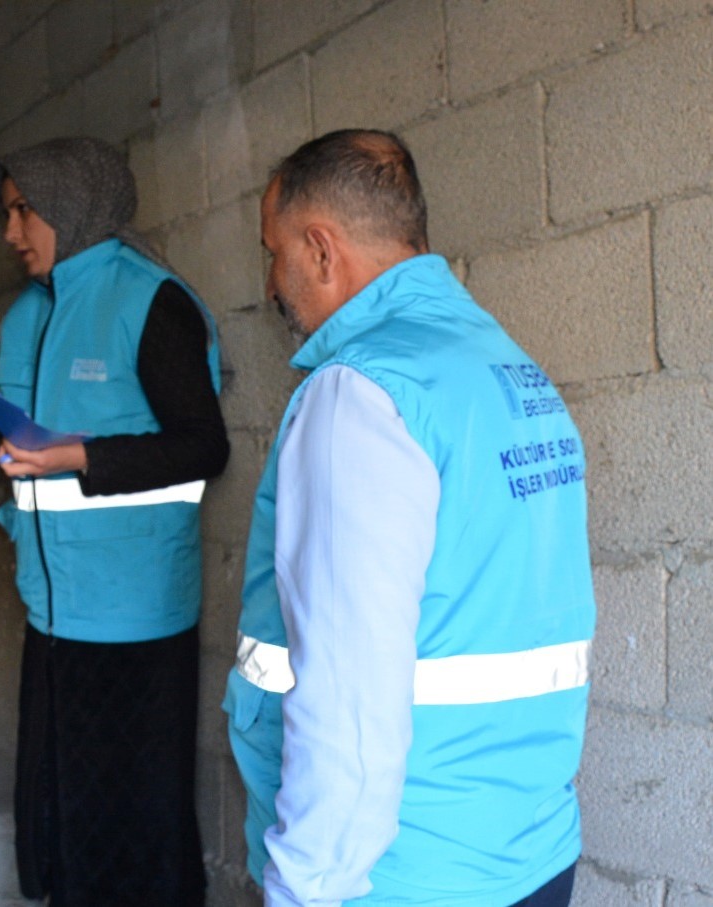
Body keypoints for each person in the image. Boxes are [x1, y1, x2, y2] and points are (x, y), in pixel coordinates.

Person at [224, 128, 596, 906]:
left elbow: (348, 695)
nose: (271, 280)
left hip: (400, 873)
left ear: (321, 249)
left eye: (275, 250)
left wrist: (303, 887)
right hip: (527, 849)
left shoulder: (359, 396)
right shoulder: (511, 372)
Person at [0, 136, 228, 906]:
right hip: (53, 608)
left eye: (23, 211)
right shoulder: (31, 312)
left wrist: (81, 456)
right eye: (6, 213)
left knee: (134, 827)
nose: (10, 233)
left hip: (136, 617)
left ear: (72, 204)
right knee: (63, 818)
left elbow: (202, 446)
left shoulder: (150, 301)